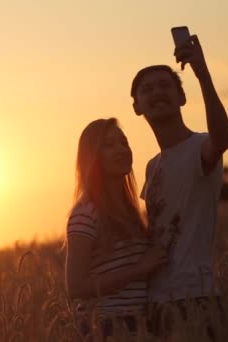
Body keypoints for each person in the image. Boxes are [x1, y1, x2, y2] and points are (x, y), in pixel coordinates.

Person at [131, 34, 228, 338]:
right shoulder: (152, 166)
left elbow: (222, 139)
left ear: (182, 98)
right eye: (147, 89)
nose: (157, 92)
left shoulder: (200, 146)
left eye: (165, 86)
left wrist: (202, 73)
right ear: (136, 107)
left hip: (196, 295)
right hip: (156, 300)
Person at [65, 118, 169, 340]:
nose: (121, 149)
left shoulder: (132, 213)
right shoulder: (85, 214)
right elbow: (75, 286)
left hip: (140, 325)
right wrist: (139, 269)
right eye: (109, 145)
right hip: (106, 328)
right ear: (93, 157)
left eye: (124, 142)